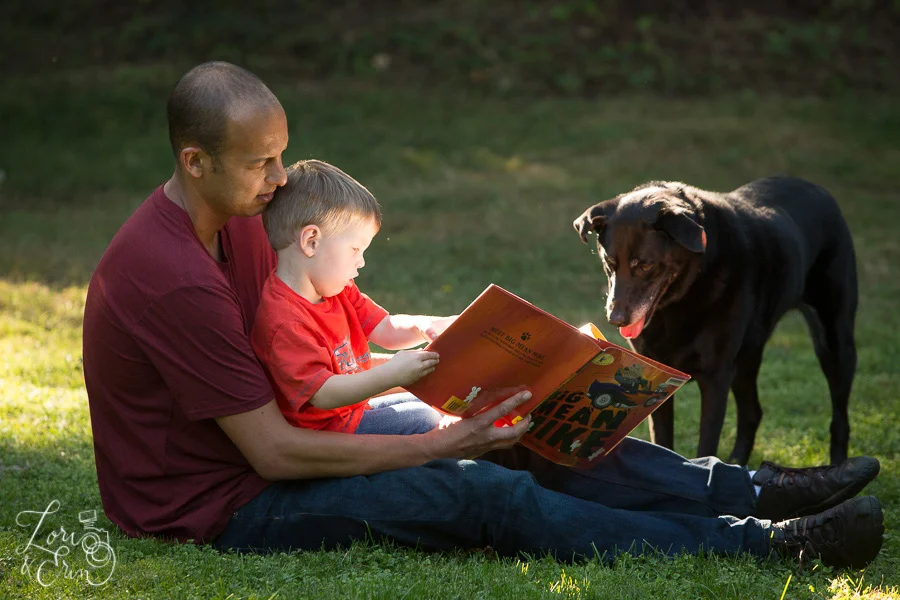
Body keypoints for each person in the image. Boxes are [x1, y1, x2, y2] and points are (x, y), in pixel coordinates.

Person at [82, 61, 885, 570]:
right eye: (261, 162)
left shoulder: (245, 221)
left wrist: (488, 345)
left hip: (295, 436)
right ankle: (763, 544)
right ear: (194, 161)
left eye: (281, 154)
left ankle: (757, 489)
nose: (281, 177)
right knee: (485, 493)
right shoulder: (173, 278)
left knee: (523, 421)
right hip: (227, 500)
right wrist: (440, 444)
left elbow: (344, 322)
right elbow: (274, 453)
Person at [251, 158, 455, 436]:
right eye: (355, 249)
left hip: (353, 413)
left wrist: (424, 325)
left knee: (432, 405)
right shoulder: (285, 321)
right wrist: (391, 374)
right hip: (326, 432)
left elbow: (385, 328)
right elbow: (323, 394)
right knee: (422, 417)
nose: (361, 262)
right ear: (311, 241)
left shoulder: (338, 290)